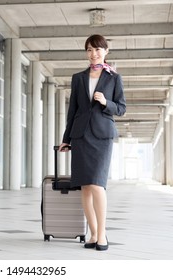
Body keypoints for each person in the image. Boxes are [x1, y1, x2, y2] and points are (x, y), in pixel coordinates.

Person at [58, 34, 126, 251]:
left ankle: (103, 233)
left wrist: (106, 102)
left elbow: (122, 108)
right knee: (85, 187)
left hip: (102, 136)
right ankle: (93, 233)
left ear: (106, 51)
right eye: (89, 50)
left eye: (97, 49)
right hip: (80, 136)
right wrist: (66, 139)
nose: (93, 54)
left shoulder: (114, 78)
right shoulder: (78, 78)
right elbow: (73, 111)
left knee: (97, 184)